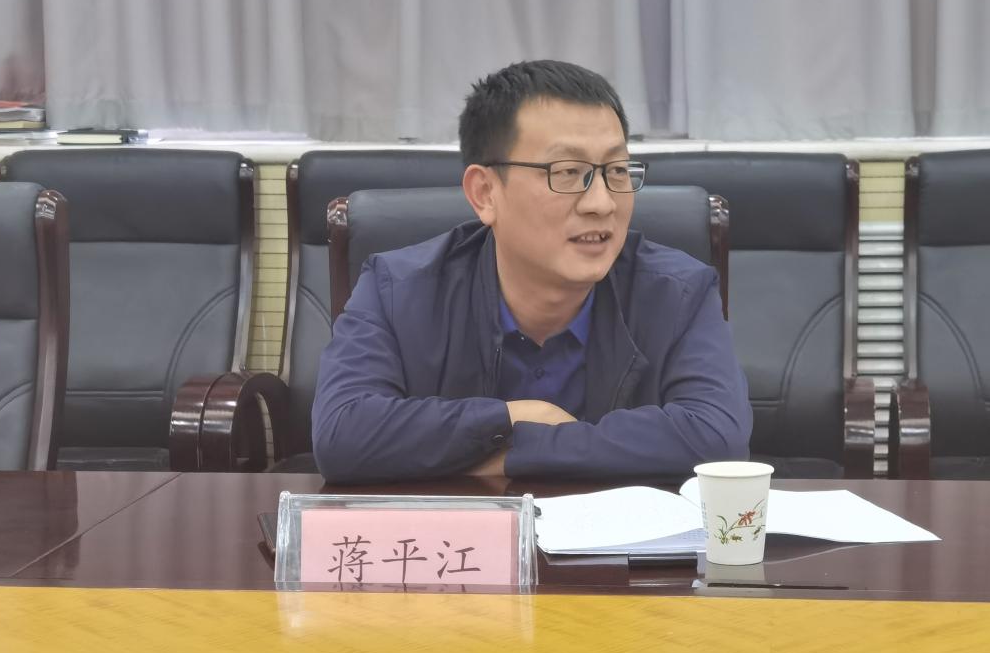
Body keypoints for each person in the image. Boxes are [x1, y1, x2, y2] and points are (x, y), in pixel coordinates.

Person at [312, 59, 752, 481]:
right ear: (485, 193)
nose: (602, 203)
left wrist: (512, 453)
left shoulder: (679, 291)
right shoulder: (397, 289)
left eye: (617, 170)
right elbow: (342, 434)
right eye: (567, 172)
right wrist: (516, 415)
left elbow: (717, 439)